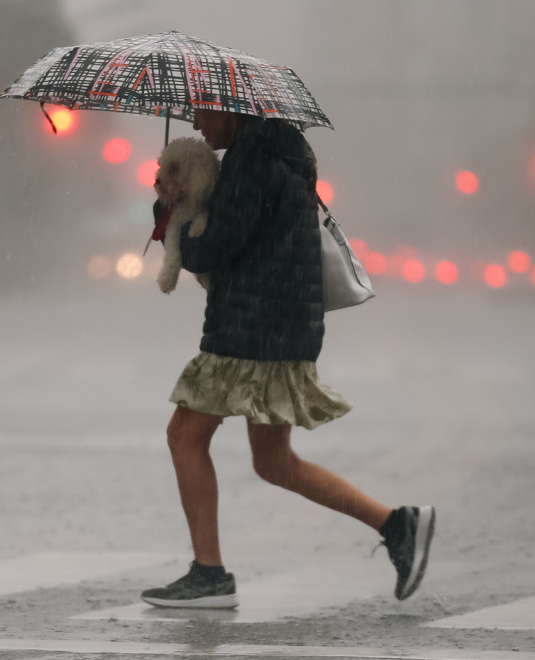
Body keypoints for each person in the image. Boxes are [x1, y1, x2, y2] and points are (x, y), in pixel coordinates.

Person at [141, 108, 435, 609]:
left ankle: (209, 575)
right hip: (281, 325)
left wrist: (169, 219)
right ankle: (398, 525)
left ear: (231, 107)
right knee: (274, 461)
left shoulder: (252, 156)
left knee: (184, 436)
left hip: (251, 327)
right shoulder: (281, 150)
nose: (197, 121)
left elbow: (219, 244)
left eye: (204, 109)